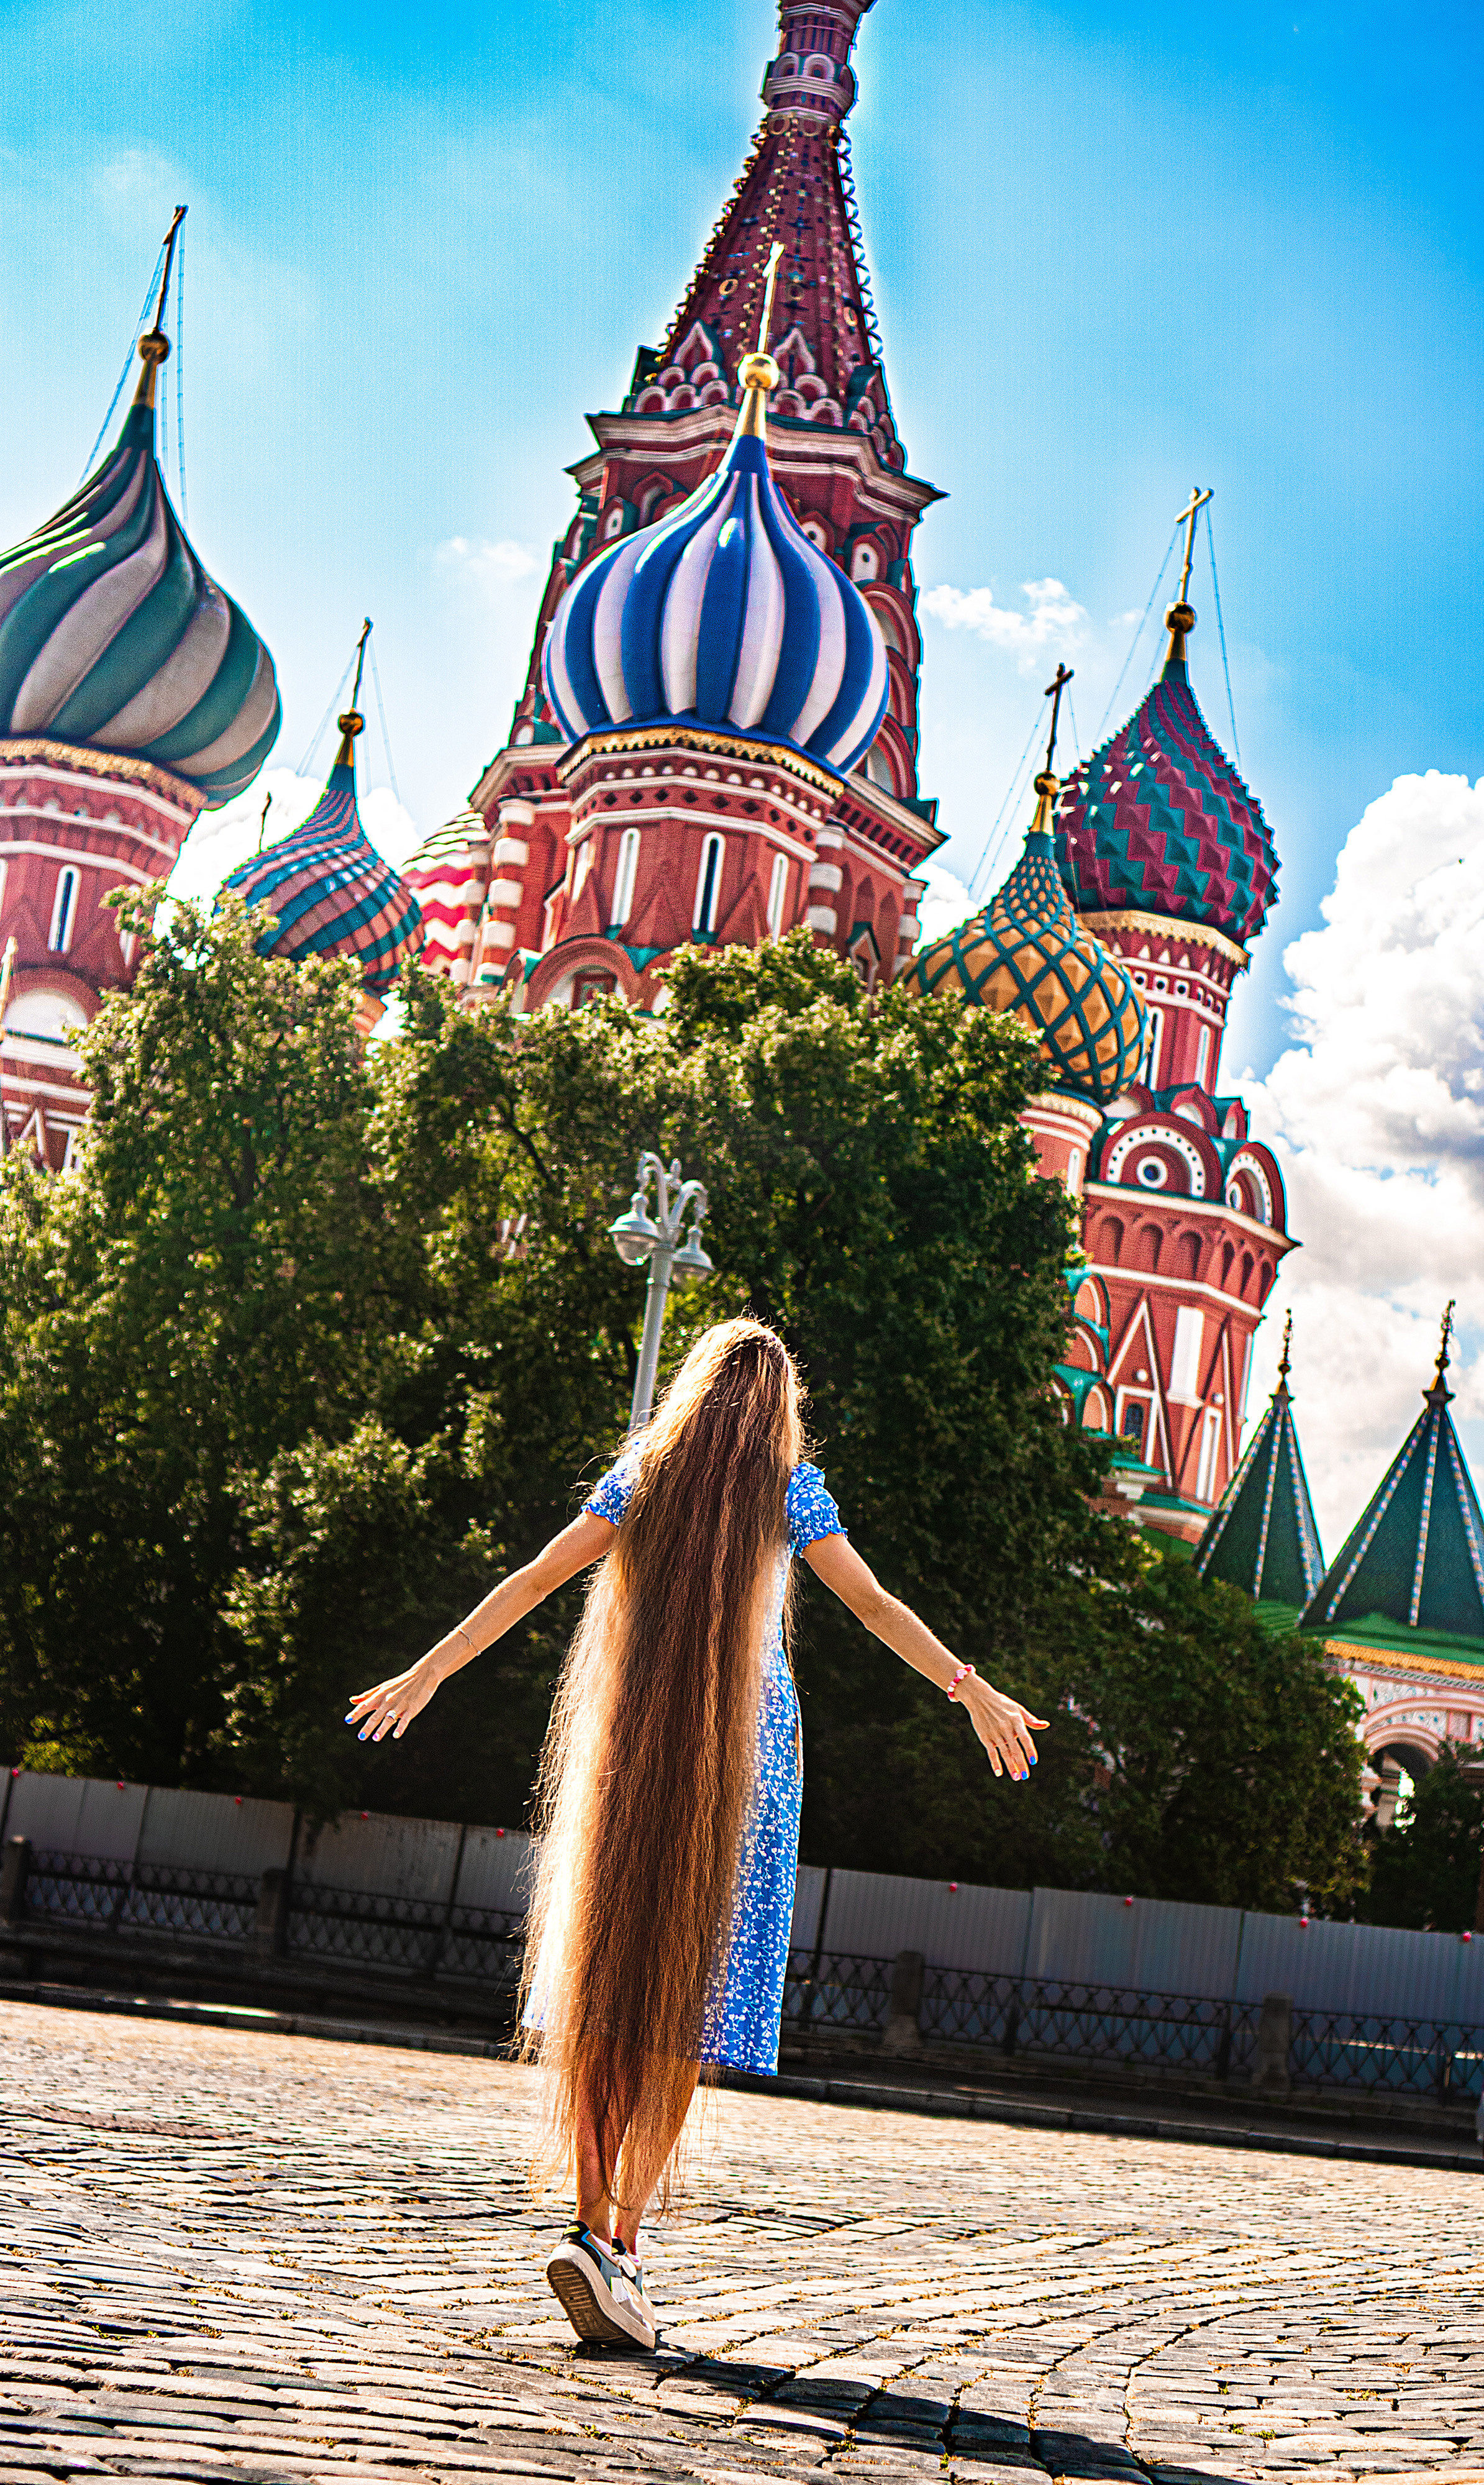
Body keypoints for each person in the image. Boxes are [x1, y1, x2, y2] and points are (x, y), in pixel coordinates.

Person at [345, 1318, 1047, 2352]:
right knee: (687, 2002)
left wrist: (428, 1672)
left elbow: (538, 1578)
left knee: (603, 1985)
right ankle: (621, 2243)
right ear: (779, 1412)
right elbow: (870, 1602)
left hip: (629, 1740)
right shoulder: (790, 1492)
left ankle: (589, 2228)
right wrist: (970, 1690)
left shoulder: (642, 1476)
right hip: (747, 1760)